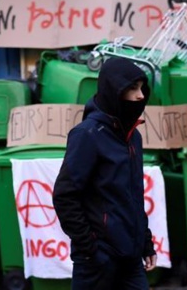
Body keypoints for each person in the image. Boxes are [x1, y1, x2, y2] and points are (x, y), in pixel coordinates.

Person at [53, 57, 157, 290]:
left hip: (130, 257)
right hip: (97, 261)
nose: (140, 95)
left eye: (142, 88)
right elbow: (65, 195)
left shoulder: (133, 137)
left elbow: (133, 196)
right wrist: (91, 247)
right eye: (132, 88)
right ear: (114, 91)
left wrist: (146, 243)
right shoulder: (87, 134)